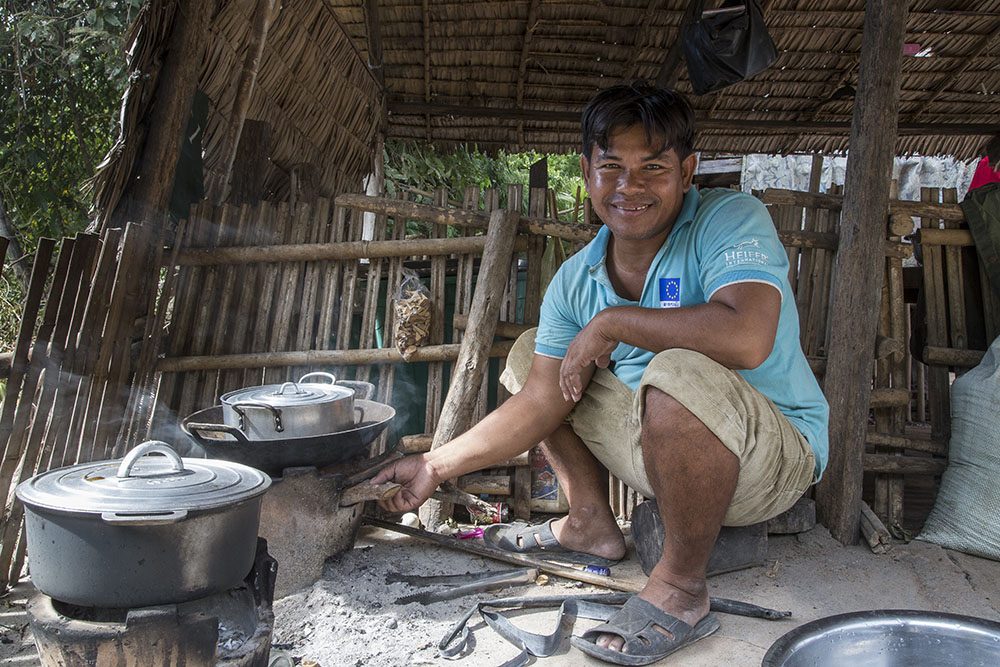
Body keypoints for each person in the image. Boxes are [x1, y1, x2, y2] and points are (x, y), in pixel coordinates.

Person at [372, 82, 829, 665]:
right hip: (664, 454)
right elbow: (541, 399)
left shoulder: (729, 219)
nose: (629, 187)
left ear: (687, 172)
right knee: (537, 355)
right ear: (586, 172)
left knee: (675, 371)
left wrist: (615, 323)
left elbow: (747, 335)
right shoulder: (575, 278)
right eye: (611, 166)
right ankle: (590, 521)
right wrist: (435, 465)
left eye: (653, 167)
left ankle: (683, 587)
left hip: (771, 458)